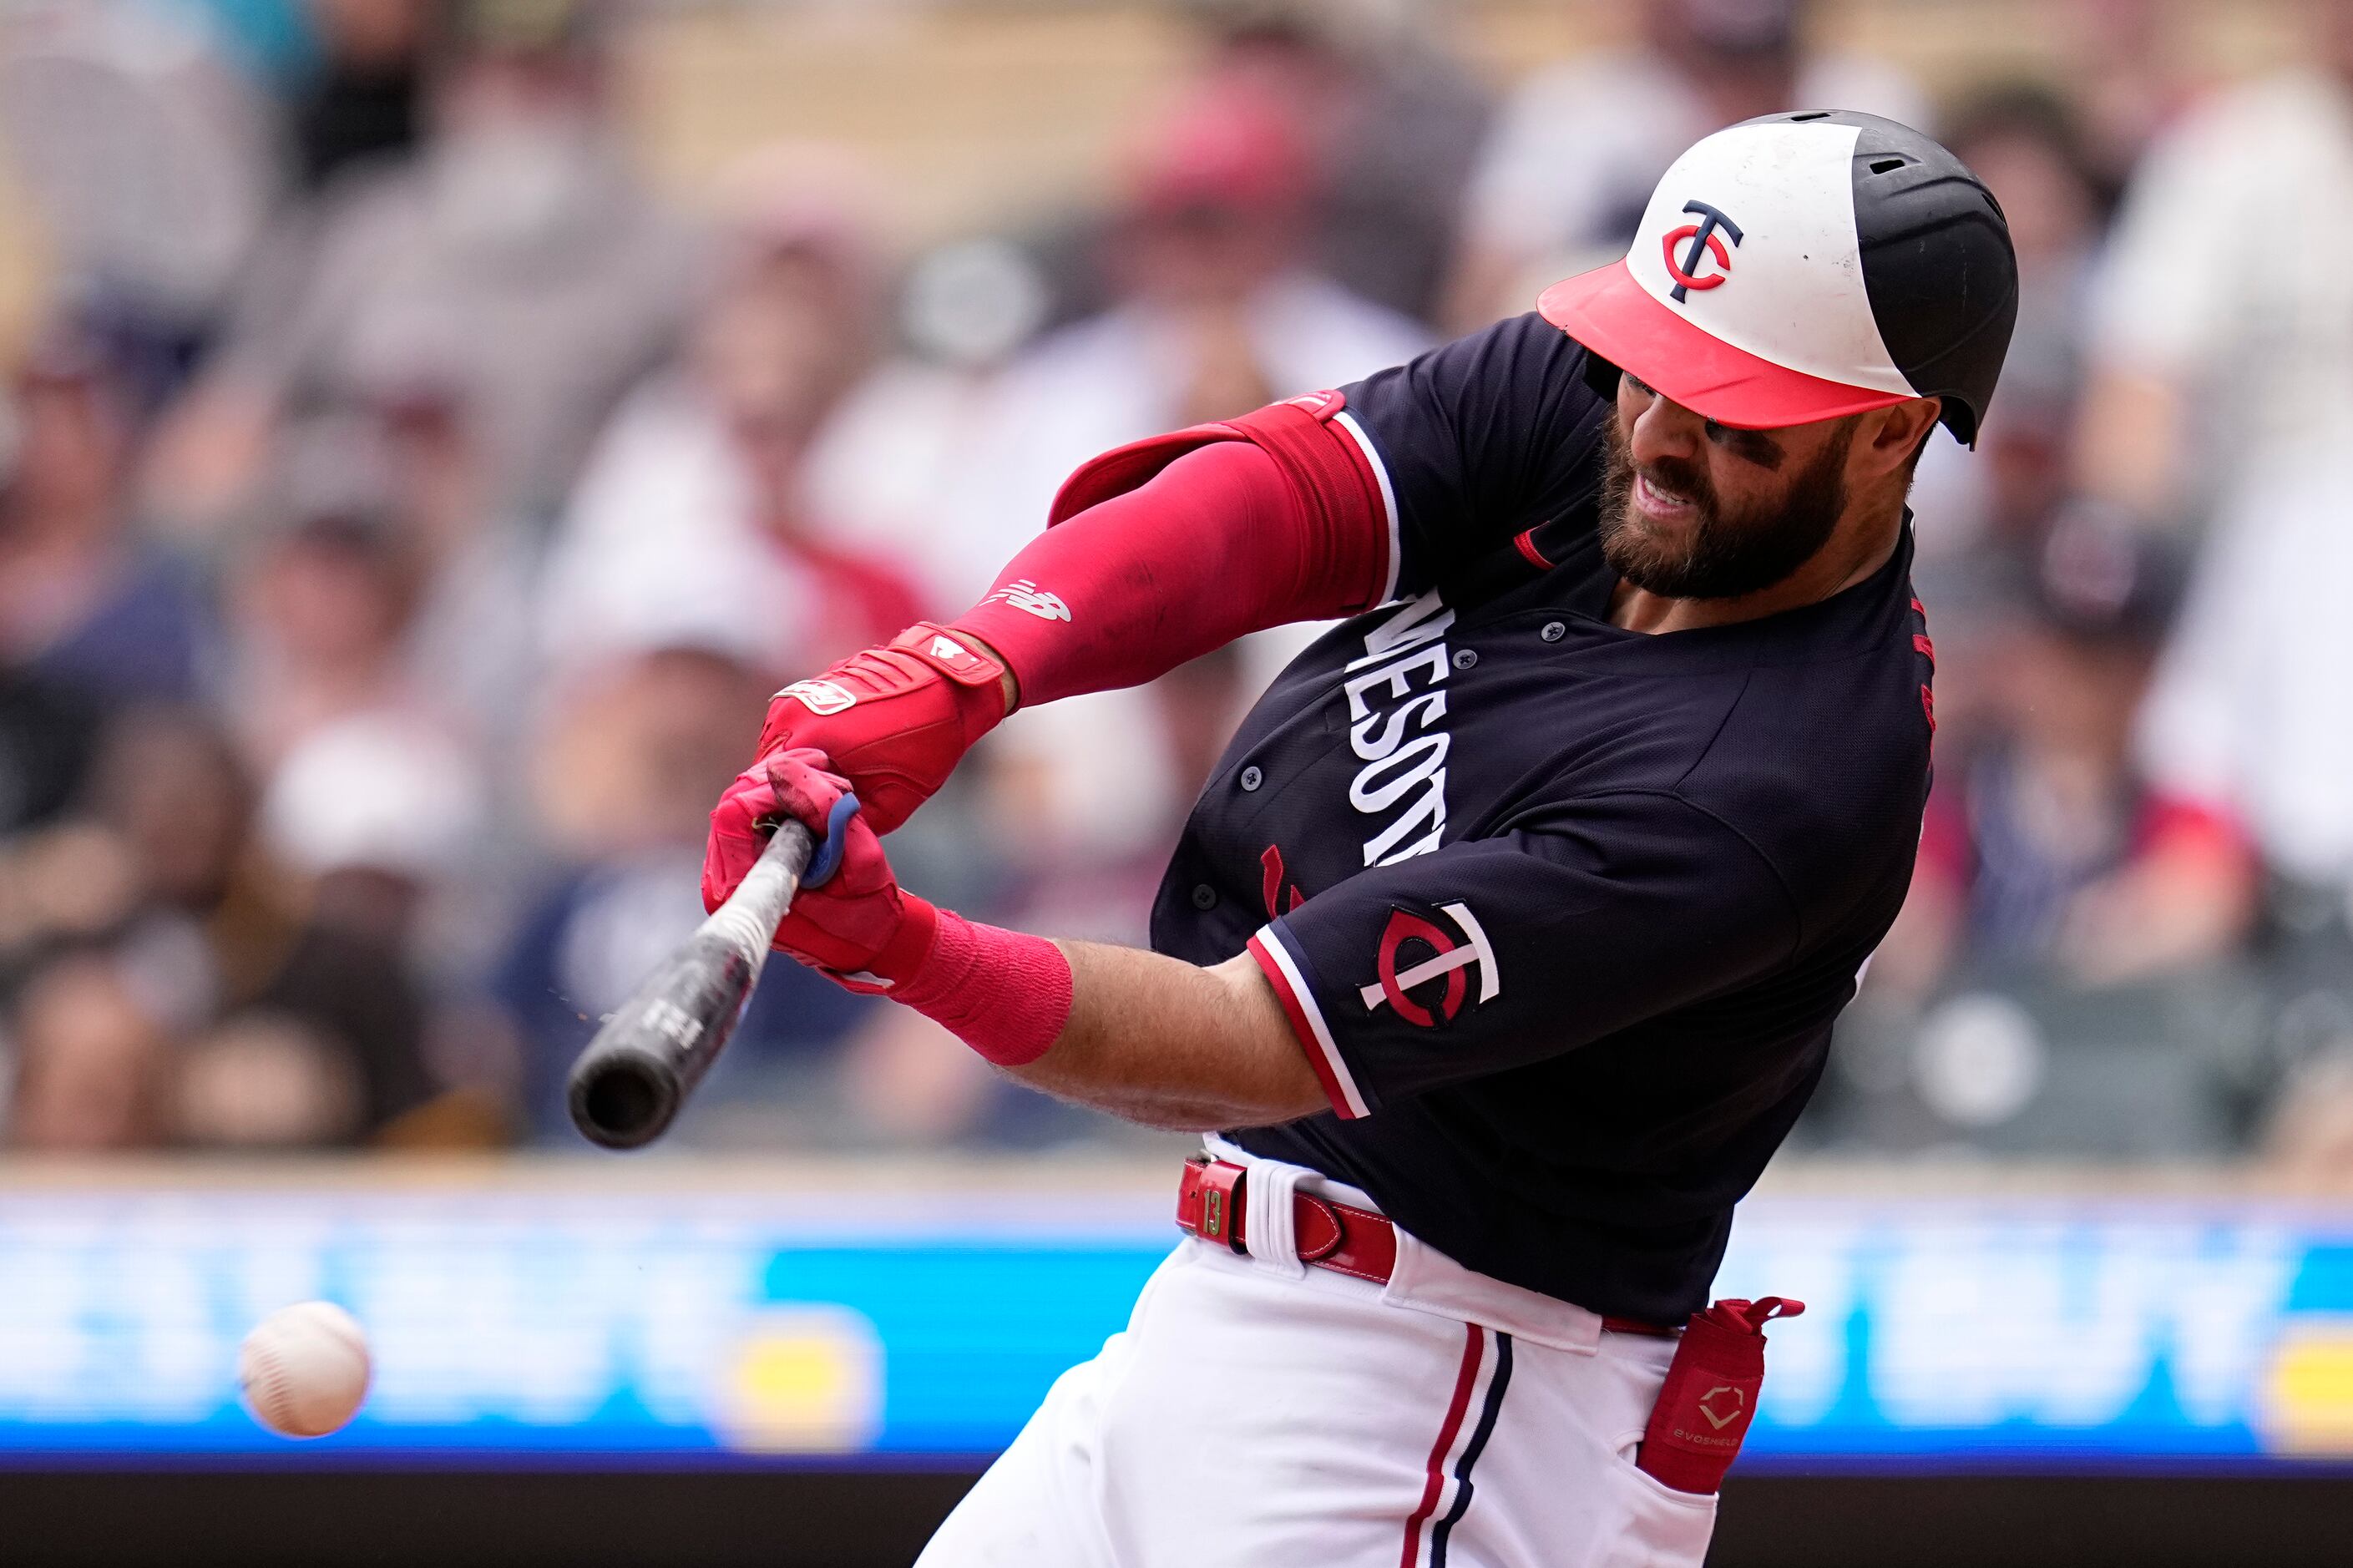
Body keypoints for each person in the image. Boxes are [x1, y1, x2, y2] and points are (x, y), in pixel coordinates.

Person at [700, 112, 2016, 1565]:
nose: (1653, 430)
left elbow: (1242, 1034)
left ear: (1889, 427)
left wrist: (903, 949)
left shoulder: (1773, 784)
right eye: (1653, 362)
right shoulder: (1606, 404)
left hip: (1446, 1387)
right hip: (1229, 1311)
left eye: (1728, 408)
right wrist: (974, 666)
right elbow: (1277, 494)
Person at [1446, 0, 1926, 330]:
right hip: (1618, 364)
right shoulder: (1577, 104)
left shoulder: (1873, 99)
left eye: (1756, 67)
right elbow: (1486, 296)